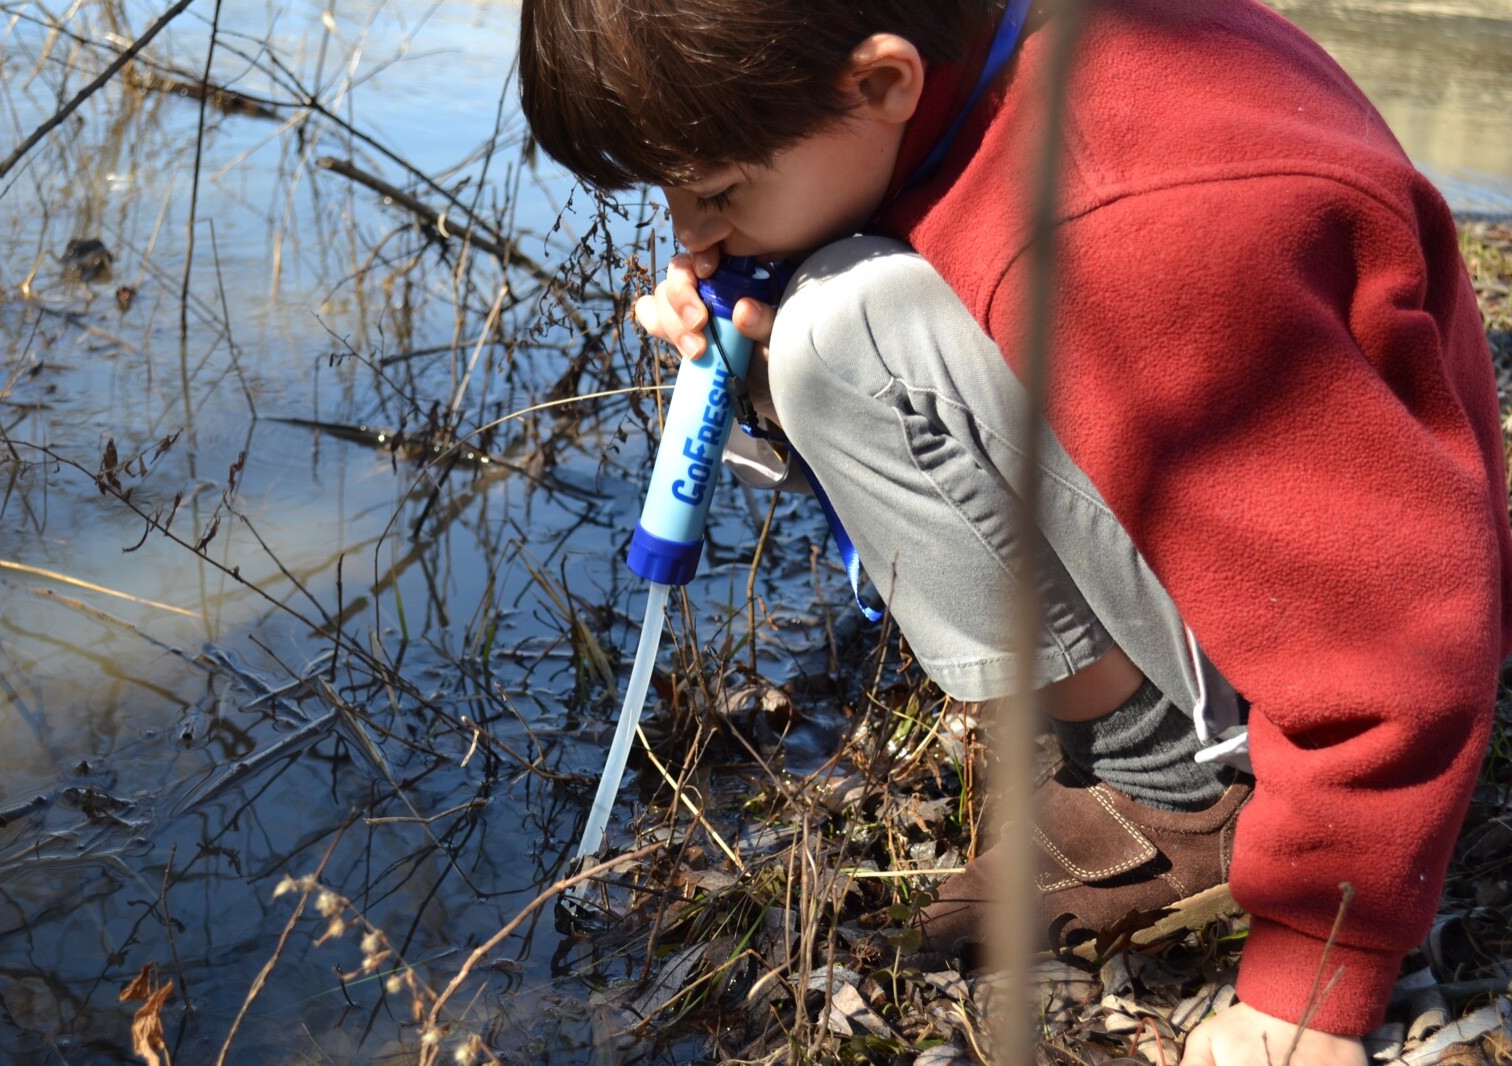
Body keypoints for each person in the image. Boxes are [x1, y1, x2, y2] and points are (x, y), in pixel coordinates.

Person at [517, 0, 1511, 1063]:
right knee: (826, 323)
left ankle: (1183, 782)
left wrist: (1313, 974)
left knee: (838, 327)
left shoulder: (1125, 228)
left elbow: (1390, 618)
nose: (690, 236)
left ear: (880, 82)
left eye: (716, 192)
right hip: (1269, 482)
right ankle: (1171, 745)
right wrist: (753, 361)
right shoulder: (1003, 65)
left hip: (1343, 598)